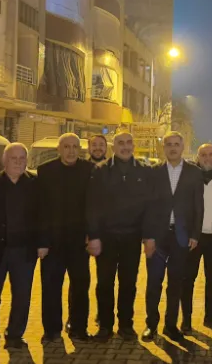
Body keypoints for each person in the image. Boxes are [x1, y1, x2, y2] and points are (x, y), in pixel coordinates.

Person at [0, 144, 48, 354]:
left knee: (22, 296)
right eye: (14, 158)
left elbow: (43, 215)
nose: (18, 162)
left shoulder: (36, 184)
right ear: (4, 161)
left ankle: (15, 335)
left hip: (24, 251)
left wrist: (43, 243)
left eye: (22, 158)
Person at [86, 130, 158, 342]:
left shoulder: (145, 171)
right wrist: (94, 236)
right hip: (106, 238)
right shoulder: (100, 170)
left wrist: (149, 236)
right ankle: (105, 326)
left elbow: (150, 207)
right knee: (104, 283)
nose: (125, 147)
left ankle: (126, 325)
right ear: (113, 147)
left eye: (128, 143)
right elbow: (92, 206)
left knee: (128, 283)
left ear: (133, 146)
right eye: (120, 143)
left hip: (131, 238)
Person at [143, 132, 204, 342]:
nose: (172, 148)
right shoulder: (154, 172)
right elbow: (147, 206)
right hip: (157, 237)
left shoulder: (194, 173)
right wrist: (148, 237)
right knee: (154, 283)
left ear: (182, 146)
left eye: (176, 144)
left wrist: (195, 234)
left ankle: (170, 325)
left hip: (182, 236)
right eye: (168, 144)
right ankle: (151, 325)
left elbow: (198, 206)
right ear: (164, 147)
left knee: (175, 284)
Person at [37, 133, 93, 343]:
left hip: (79, 242)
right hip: (52, 243)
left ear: (80, 150)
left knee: (80, 286)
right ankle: (51, 330)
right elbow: (40, 209)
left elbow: (94, 205)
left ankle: (78, 327)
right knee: (51, 287)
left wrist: (92, 234)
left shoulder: (89, 170)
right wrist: (42, 241)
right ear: (59, 149)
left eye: (75, 147)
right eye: (67, 147)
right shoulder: (45, 171)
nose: (71, 151)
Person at [182, 143, 212, 332]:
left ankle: (209, 316)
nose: (207, 158)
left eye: (210, 154)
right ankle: (186, 319)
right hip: (194, 236)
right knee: (188, 278)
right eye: (203, 155)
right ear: (198, 157)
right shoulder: (191, 176)